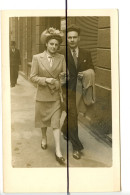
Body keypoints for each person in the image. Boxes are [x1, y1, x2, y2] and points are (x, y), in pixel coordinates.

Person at [30, 27, 66, 165]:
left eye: (56, 45)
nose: (54, 47)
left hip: (55, 96)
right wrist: (46, 80)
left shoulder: (61, 58)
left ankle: (58, 151)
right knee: (43, 121)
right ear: (46, 44)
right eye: (51, 44)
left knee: (56, 123)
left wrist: (62, 78)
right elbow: (32, 77)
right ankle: (44, 137)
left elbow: (64, 76)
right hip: (42, 96)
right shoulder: (37, 58)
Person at [61, 24, 94, 160]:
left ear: (79, 38)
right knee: (73, 115)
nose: (72, 40)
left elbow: (92, 69)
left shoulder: (86, 53)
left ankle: (64, 129)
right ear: (66, 39)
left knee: (72, 114)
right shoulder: (62, 54)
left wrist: (85, 73)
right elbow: (58, 71)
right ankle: (76, 147)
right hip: (67, 90)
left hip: (81, 90)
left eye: (74, 37)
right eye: (69, 38)